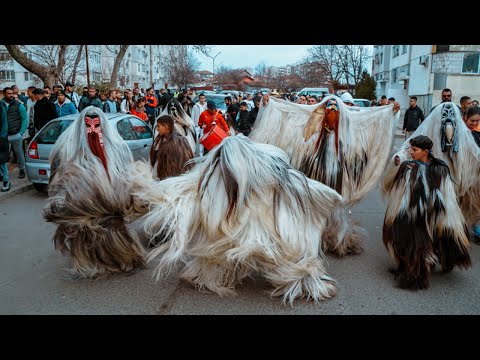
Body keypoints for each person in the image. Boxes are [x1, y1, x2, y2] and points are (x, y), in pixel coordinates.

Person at [132, 135, 343, 306]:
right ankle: (221, 273)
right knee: (226, 249)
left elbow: (308, 189)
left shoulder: (268, 181)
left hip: (253, 223)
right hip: (240, 225)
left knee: (248, 248)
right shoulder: (214, 184)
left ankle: (301, 280)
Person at [250, 94, 400, 256]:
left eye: (335, 109)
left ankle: (334, 239)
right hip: (314, 176)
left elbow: (374, 123)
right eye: (327, 109)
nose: (331, 112)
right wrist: (270, 105)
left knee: (334, 209)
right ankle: (310, 240)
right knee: (311, 208)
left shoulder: (349, 132)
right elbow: (287, 118)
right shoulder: (311, 128)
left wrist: (391, 113)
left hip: (336, 178)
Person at [43, 106, 146, 279]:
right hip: (87, 207)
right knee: (91, 235)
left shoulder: (116, 149)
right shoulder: (69, 151)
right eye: (89, 125)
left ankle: (113, 260)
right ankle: (101, 262)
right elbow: (59, 178)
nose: (93, 129)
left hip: (108, 206)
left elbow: (126, 173)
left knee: (108, 232)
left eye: (97, 125)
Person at [382, 135, 471, 290]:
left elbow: (447, 194)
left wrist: (444, 214)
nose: (410, 152)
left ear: (426, 151)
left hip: (433, 213)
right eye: (410, 148)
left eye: (414, 149)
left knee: (426, 244)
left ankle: (418, 276)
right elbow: (395, 189)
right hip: (411, 214)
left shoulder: (440, 168)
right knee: (407, 242)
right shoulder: (407, 167)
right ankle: (407, 269)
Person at [150, 115, 194, 180]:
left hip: (176, 179)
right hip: (162, 179)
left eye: (159, 126)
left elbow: (186, 161)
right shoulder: (159, 139)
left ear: (166, 127)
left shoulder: (180, 141)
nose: (157, 128)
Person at [463, 106, 480, 244]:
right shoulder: (460, 133)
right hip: (463, 173)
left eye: (477, 121)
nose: (475, 124)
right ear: (465, 118)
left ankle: (476, 228)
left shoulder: (478, 133)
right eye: (472, 121)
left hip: (476, 174)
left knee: (475, 203)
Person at [0, 101, 10, 192]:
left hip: (1, 139)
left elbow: (4, 125)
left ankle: (6, 181)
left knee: (2, 161)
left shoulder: (1, 107)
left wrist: (2, 138)